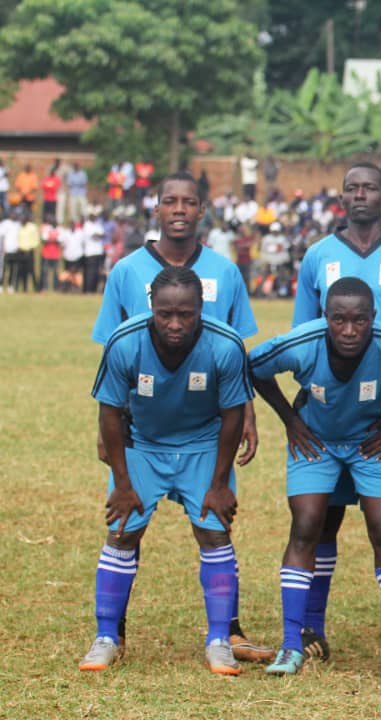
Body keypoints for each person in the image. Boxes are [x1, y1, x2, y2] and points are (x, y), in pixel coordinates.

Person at [90, 172, 268, 662]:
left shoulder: (225, 272)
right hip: (140, 425)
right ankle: (112, 633)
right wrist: (108, 436)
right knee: (125, 524)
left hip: (206, 425)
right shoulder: (127, 270)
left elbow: (235, 359)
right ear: (156, 207)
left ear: (203, 209)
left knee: (214, 524)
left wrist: (248, 413)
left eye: (190, 201)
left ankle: (225, 633)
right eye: (170, 200)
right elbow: (113, 359)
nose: (179, 209)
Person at [249, 277, 381, 679]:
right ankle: (290, 645)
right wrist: (291, 421)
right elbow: (255, 367)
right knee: (306, 526)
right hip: (318, 441)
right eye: (338, 320)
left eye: (359, 321)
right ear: (325, 317)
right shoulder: (302, 342)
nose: (349, 331)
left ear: (374, 317)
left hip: (373, 443)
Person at [292, 162, 381, 663]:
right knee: (324, 520)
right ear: (341, 197)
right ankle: (311, 630)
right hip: (329, 416)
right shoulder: (317, 256)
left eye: (370, 188)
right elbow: (303, 340)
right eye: (352, 188)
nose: (360, 195)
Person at [79, 267, 253, 674]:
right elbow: (108, 412)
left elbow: (232, 417)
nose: (175, 323)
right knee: (122, 532)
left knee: (214, 531)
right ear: (152, 309)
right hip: (143, 444)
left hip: (203, 446)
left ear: (201, 310)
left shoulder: (225, 345)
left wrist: (219, 483)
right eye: (165, 313)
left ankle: (218, 641)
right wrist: (122, 483)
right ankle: (106, 636)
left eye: (186, 314)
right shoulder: (125, 341)